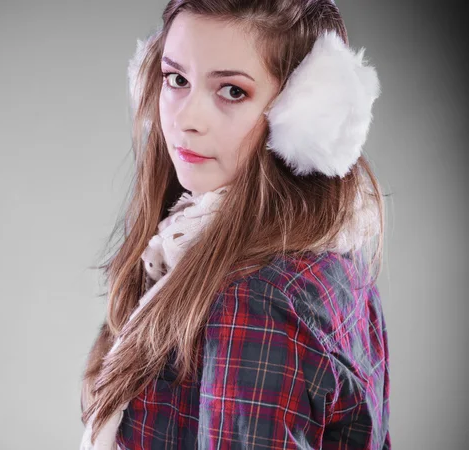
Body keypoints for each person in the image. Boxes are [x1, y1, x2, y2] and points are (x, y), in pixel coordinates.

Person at [80, 0, 390, 448]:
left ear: (306, 117)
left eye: (232, 91)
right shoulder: (332, 253)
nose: (186, 119)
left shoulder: (261, 298)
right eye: (177, 80)